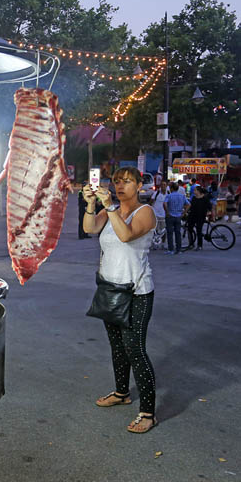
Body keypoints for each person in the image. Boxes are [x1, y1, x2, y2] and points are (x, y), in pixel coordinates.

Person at [82, 166, 158, 434]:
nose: (120, 186)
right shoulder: (109, 210)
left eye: (127, 181)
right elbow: (89, 228)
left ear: (139, 185)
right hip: (110, 289)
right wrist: (92, 204)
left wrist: (110, 207)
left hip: (137, 292)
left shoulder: (145, 212)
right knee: (117, 347)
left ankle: (148, 413)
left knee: (135, 349)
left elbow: (126, 236)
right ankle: (121, 393)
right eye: (116, 182)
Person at [163, 182, 190, 255]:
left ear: (171, 188)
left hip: (170, 216)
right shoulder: (182, 196)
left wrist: (167, 212)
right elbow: (188, 204)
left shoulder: (169, 196)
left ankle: (171, 249)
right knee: (178, 233)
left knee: (170, 233)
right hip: (178, 216)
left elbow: (164, 203)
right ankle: (178, 249)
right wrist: (184, 213)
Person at [185, 186, 212, 251]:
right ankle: (191, 244)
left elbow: (209, 207)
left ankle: (200, 245)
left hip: (201, 216)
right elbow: (191, 206)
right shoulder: (194, 198)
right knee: (189, 229)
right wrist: (186, 211)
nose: (194, 191)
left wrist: (209, 212)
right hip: (192, 216)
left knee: (199, 231)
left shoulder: (205, 198)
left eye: (195, 190)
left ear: (199, 191)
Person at [150, 182, 168, 249]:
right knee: (156, 231)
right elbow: (151, 202)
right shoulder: (156, 193)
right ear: (160, 186)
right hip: (156, 214)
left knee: (163, 231)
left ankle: (163, 244)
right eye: (162, 185)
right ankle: (155, 244)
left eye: (165, 185)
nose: (163, 186)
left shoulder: (168, 194)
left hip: (164, 215)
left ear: (166, 186)